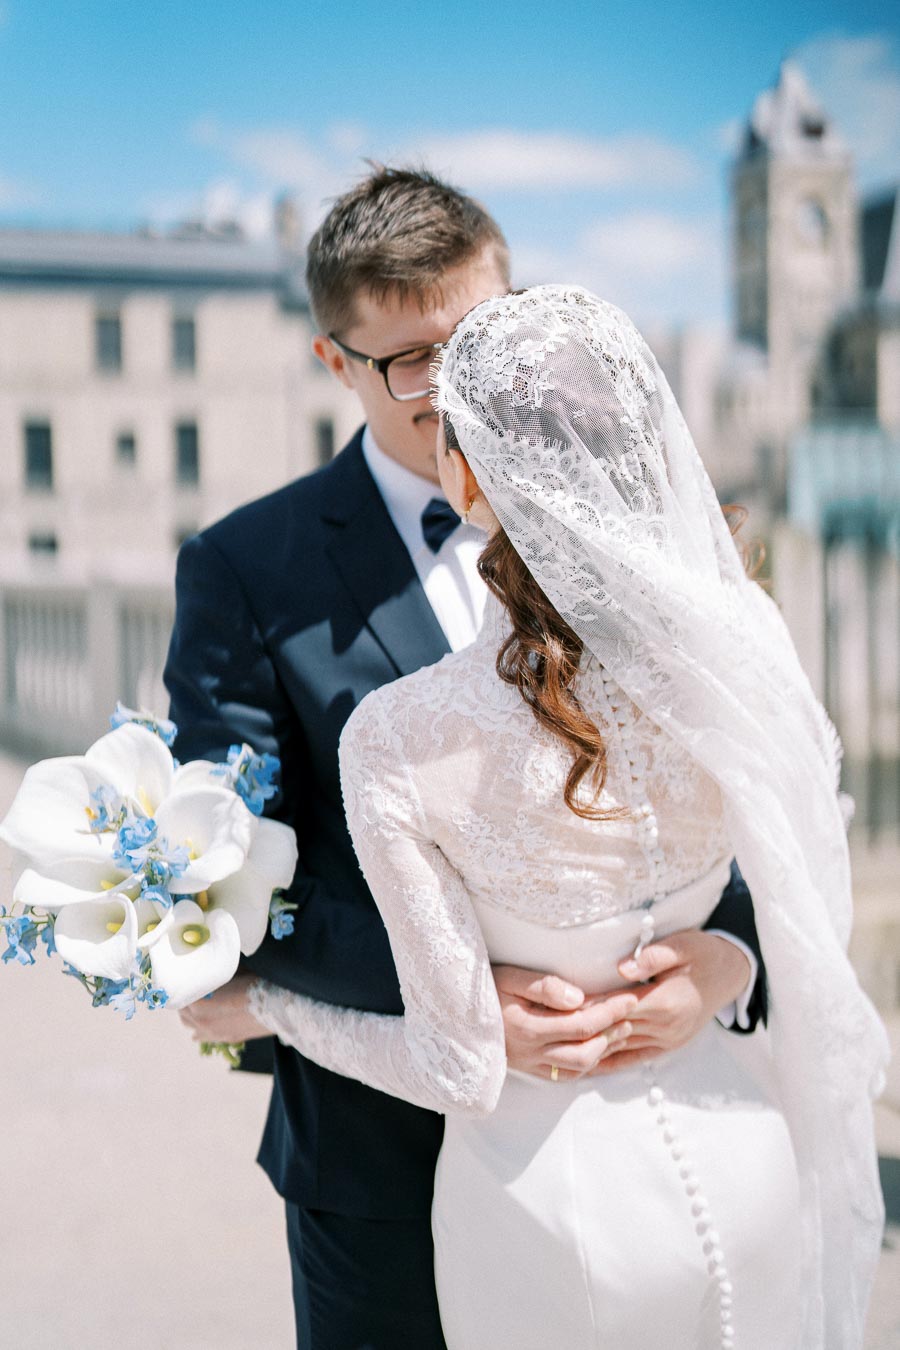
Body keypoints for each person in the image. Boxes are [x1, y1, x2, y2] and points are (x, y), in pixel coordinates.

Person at [169, 173, 767, 1349]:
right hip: (376, 1171)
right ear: (334, 360)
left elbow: (723, 795)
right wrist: (454, 1005)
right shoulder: (245, 566)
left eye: (480, 338)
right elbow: (237, 876)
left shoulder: (643, 545)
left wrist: (732, 956)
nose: (454, 388)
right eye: (407, 360)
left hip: (645, 1142)